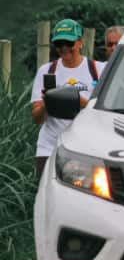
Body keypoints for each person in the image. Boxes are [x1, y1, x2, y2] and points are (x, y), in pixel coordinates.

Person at [31, 19, 106, 177]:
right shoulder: (47, 71)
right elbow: (37, 119)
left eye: (69, 43)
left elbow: (106, 110)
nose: (64, 49)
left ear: (80, 43)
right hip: (49, 147)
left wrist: (80, 101)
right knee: (45, 196)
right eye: (59, 44)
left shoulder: (98, 70)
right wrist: (47, 102)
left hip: (85, 147)